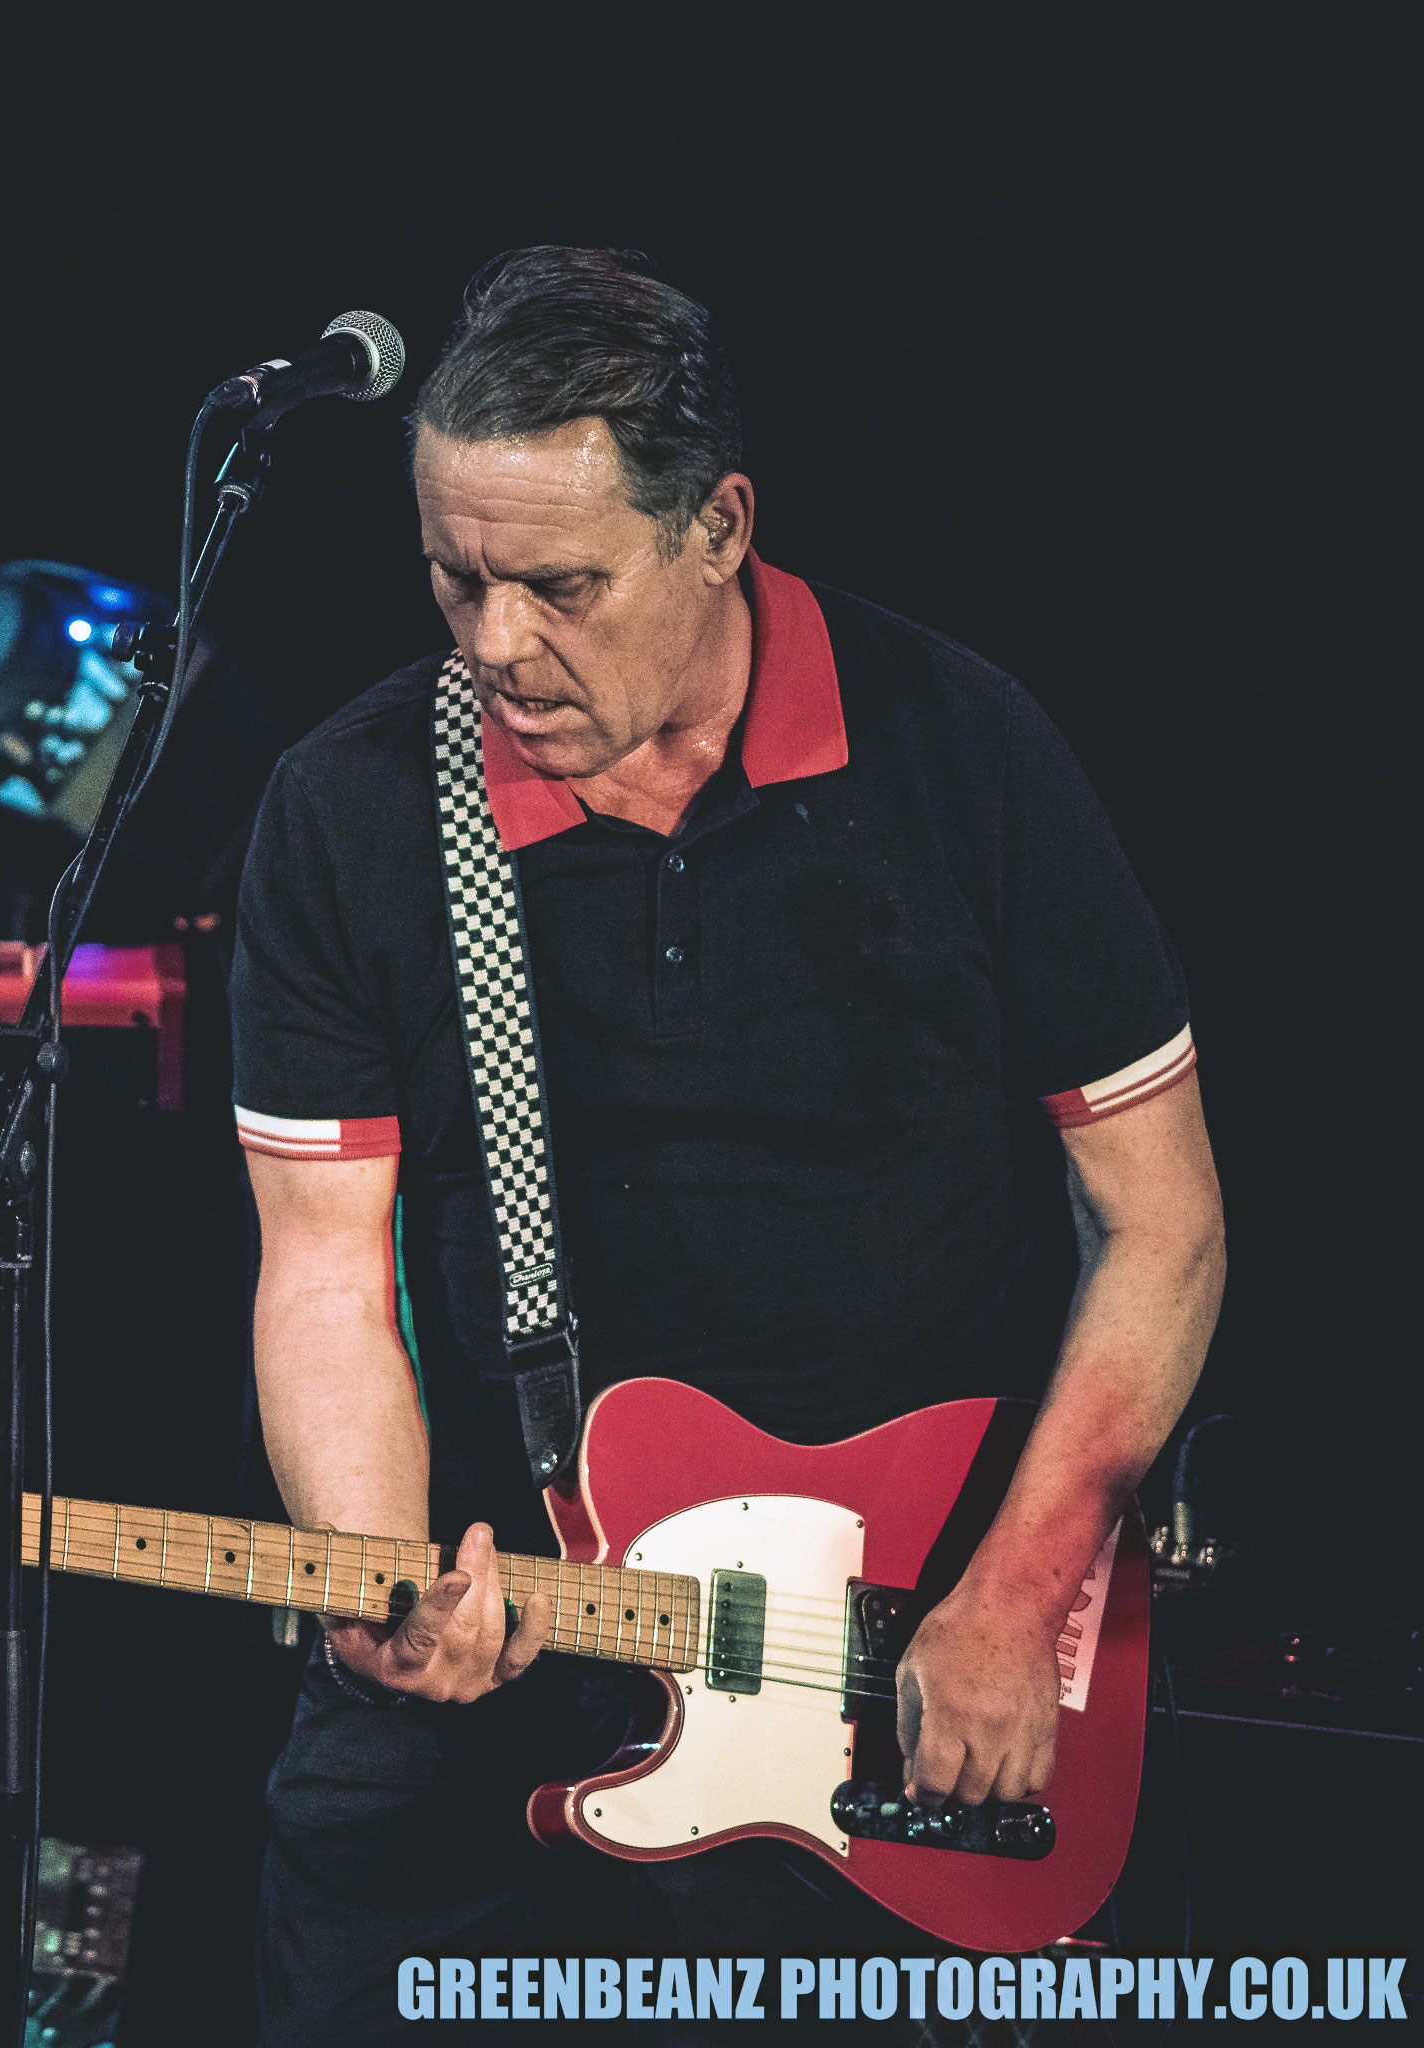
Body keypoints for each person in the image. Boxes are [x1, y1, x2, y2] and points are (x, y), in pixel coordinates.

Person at [228, 247, 1225, 2043]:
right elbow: (320, 1269)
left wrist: (1018, 1588)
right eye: (452, 579)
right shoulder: (357, 805)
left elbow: (1163, 1227)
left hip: (907, 1647)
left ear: (720, 528)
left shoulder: (960, 750)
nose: (496, 644)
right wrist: (371, 1562)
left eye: (559, 584)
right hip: (511, 1625)